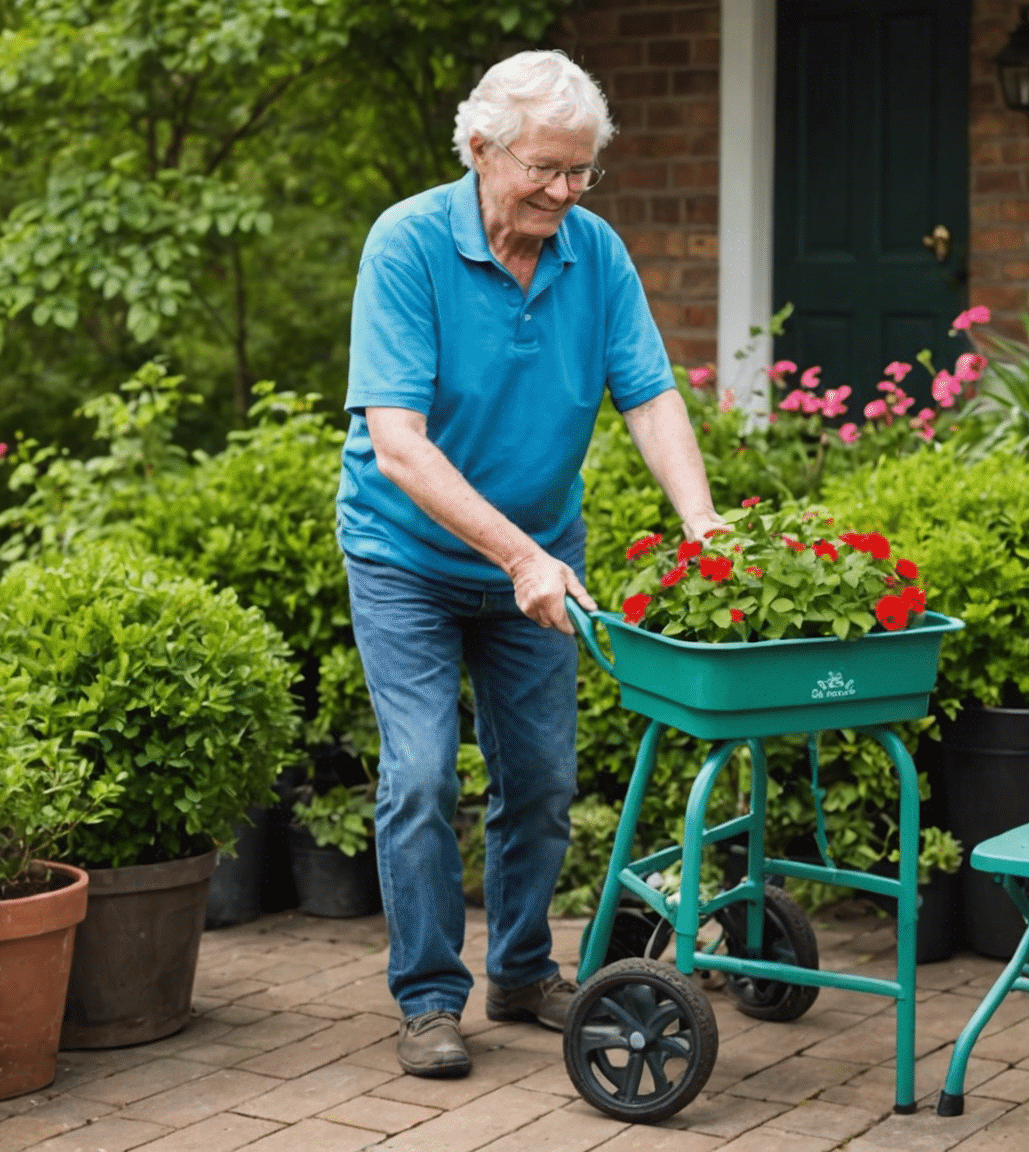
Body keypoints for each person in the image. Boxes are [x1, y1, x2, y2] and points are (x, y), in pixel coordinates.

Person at [337, 49, 724, 1080]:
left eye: (581, 171)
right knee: (420, 775)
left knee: (543, 779)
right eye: (546, 169)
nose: (564, 191)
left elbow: (647, 394)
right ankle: (428, 997)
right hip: (408, 555)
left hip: (539, 554)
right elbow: (400, 443)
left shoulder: (593, 255)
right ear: (480, 149)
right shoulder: (408, 244)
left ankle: (520, 970)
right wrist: (517, 555)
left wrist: (702, 524)